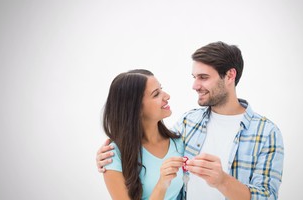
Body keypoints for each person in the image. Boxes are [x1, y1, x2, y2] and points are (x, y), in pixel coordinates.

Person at [96, 42, 284, 200]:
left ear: (230, 75)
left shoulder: (266, 133)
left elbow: (267, 196)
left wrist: (222, 181)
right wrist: (110, 156)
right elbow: (148, 145)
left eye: (203, 77)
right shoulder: (188, 123)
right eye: (194, 77)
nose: (195, 86)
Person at [101, 69, 186, 200]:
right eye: (156, 94)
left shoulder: (179, 142)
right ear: (136, 108)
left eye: (161, 89)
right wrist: (162, 184)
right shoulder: (112, 156)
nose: (167, 96)